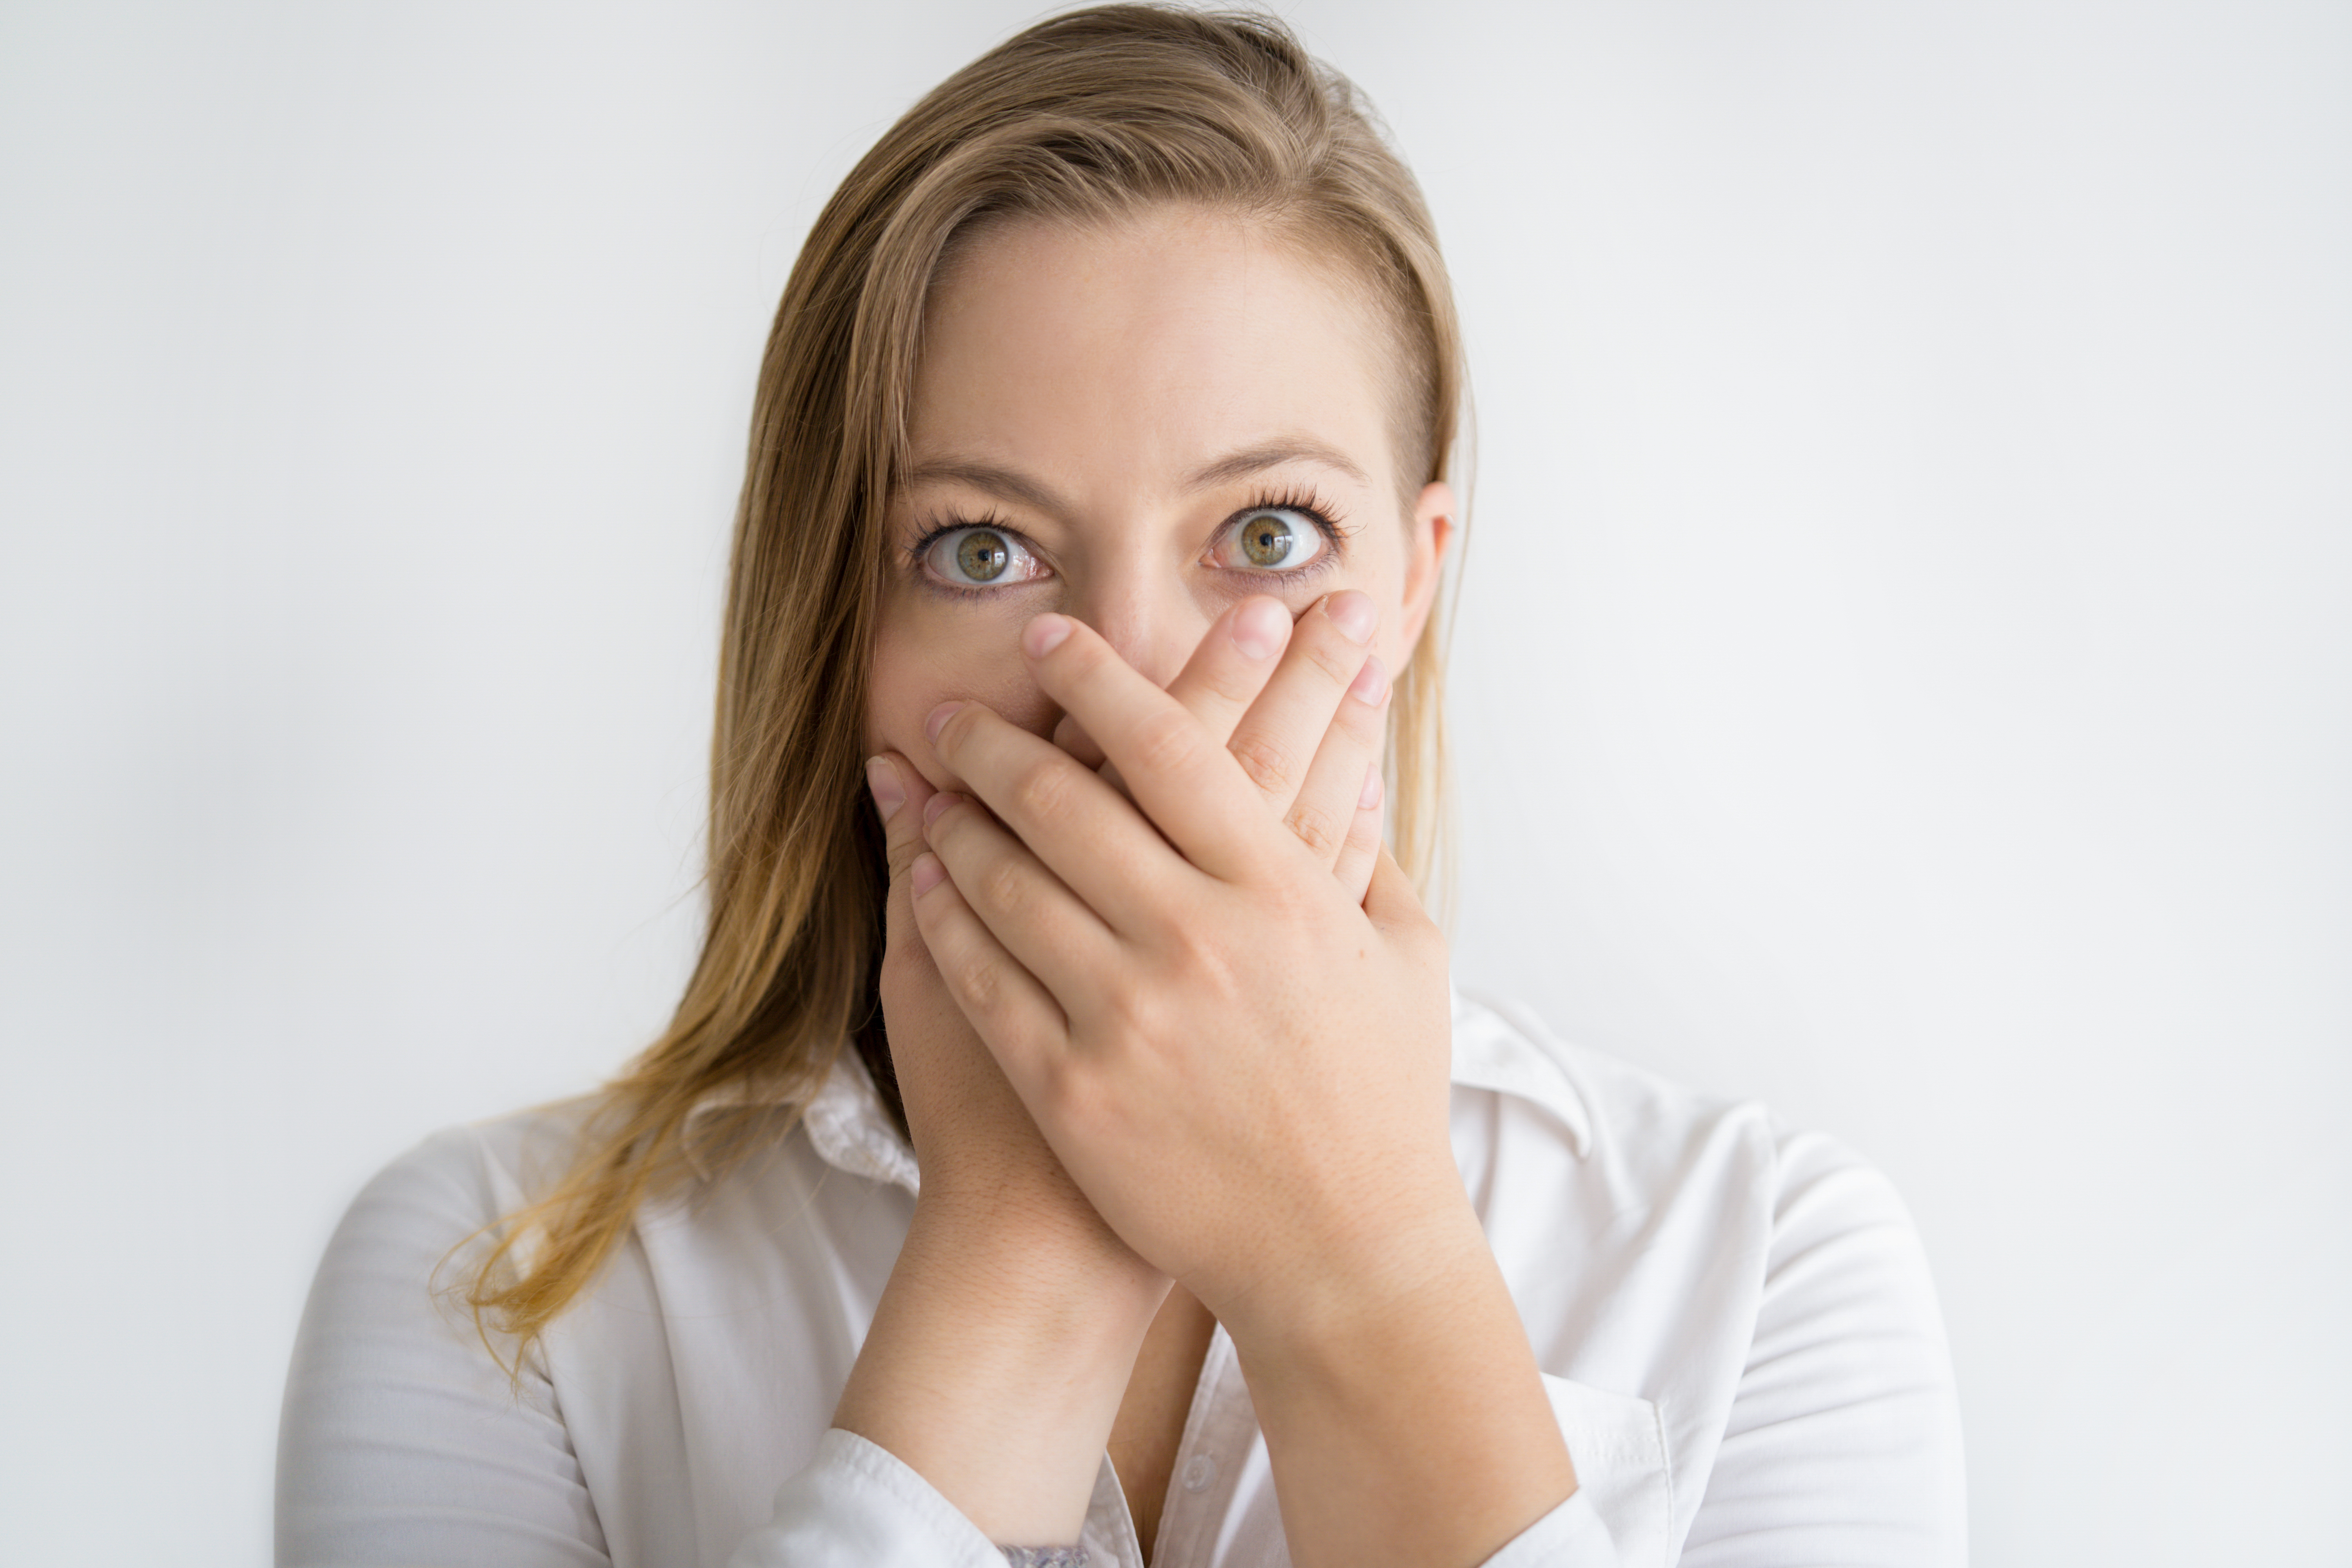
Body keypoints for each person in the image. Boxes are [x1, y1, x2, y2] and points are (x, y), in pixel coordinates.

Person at [274, 8, 1967, 1566]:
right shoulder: (491, 1281)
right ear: (840, 625)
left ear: (1419, 578)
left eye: (1268, 536)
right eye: (982, 547)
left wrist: (1361, 1264)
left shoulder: (1766, 1263)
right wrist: (1020, 1261)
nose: (1137, 677)